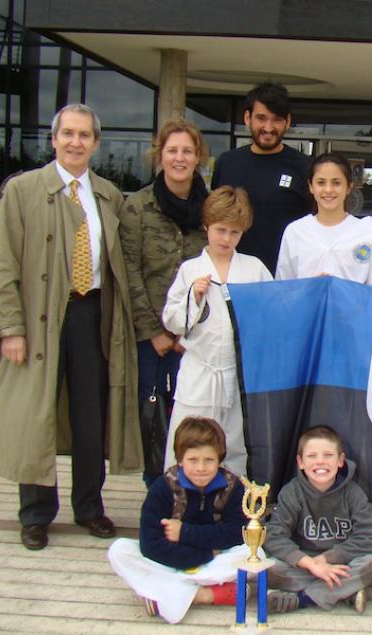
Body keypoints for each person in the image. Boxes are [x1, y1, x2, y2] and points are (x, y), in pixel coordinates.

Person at [0, 103, 141, 550]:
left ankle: (89, 507)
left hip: (92, 314)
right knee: (38, 413)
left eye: (84, 135)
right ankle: (35, 514)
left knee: (91, 416)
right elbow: (2, 264)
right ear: (53, 139)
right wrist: (10, 326)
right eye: (67, 133)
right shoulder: (24, 190)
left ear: (95, 142)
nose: (75, 142)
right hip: (39, 317)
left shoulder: (108, 194)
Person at [119, 118, 210, 486]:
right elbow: (129, 271)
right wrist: (154, 331)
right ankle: (156, 486)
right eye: (172, 150)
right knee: (153, 412)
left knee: (193, 413)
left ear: (199, 156)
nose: (179, 158)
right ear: (160, 155)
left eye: (187, 151)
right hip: (152, 336)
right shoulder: (138, 206)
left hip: (197, 334)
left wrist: (190, 331)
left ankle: (193, 485)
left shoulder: (210, 207)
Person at [161, 186, 272, 477]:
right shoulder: (190, 270)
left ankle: (232, 508)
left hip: (236, 375)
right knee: (189, 442)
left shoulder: (254, 269)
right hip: (200, 373)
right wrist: (193, 298)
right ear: (207, 226)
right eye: (221, 230)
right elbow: (172, 321)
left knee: (235, 445)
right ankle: (181, 506)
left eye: (235, 232)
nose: (227, 239)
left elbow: (273, 314)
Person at [108, 416, 250, 624]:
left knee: (251, 553)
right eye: (193, 460)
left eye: (209, 460)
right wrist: (205, 553)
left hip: (211, 562)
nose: (201, 468)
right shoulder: (163, 487)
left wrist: (184, 532)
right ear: (180, 459)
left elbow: (235, 533)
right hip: (172, 561)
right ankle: (204, 595)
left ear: (219, 459)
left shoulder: (233, 487)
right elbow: (150, 544)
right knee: (120, 550)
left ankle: (162, 592)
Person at [264, 425, 372, 613]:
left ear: (340, 460)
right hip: (303, 563)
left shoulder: (353, 494)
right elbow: (274, 536)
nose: (320, 462)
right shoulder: (291, 492)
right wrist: (311, 564)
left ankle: (302, 599)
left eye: (328, 455)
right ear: (300, 462)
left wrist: (326, 559)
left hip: (341, 564)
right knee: (266, 569)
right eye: (312, 456)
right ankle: (346, 592)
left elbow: (368, 538)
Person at [210, 81, 311, 273]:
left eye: (277, 120)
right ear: (247, 118)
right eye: (261, 118)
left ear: (288, 121)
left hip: (284, 280)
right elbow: (214, 219)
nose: (268, 127)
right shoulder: (227, 163)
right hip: (232, 278)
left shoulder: (304, 168)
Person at [275, 151, 372, 287]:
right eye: (321, 182)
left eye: (336, 183)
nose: (328, 189)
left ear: (349, 187)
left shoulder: (367, 231)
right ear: (311, 186)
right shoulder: (295, 231)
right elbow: (283, 288)